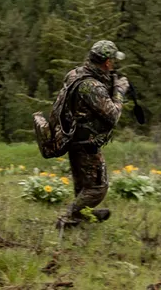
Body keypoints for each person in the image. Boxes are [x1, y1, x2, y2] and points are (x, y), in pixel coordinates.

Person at [55, 40, 129, 229]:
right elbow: (113, 116)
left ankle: (82, 216)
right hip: (85, 142)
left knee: (84, 185)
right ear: (107, 63)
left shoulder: (75, 74)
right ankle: (68, 216)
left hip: (71, 137)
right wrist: (119, 91)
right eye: (112, 61)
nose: (113, 65)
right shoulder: (92, 87)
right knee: (98, 188)